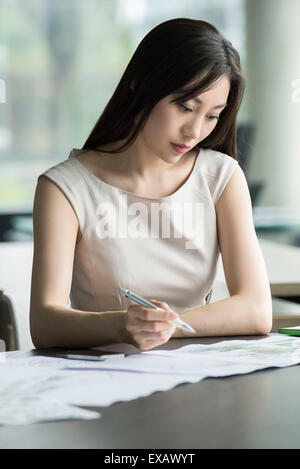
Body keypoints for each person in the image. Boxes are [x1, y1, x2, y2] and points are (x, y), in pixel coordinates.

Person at [30, 18, 272, 351]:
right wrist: (121, 325)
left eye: (212, 115)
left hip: (196, 377)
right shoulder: (64, 188)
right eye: (185, 107)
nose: (195, 131)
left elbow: (257, 310)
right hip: (102, 380)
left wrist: (164, 328)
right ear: (140, 83)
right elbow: (45, 323)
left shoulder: (221, 177)